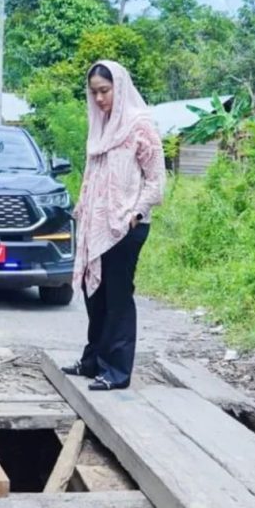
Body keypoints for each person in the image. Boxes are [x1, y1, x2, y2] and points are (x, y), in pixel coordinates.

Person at [62, 61, 166, 391]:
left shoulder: (139, 125)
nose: (100, 98)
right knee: (94, 295)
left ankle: (117, 371)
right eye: (94, 92)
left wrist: (134, 213)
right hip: (96, 226)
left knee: (118, 297)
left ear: (119, 88)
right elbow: (94, 177)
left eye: (105, 91)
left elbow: (156, 180)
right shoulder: (101, 126)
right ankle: (93, 360)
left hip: (125, 227)